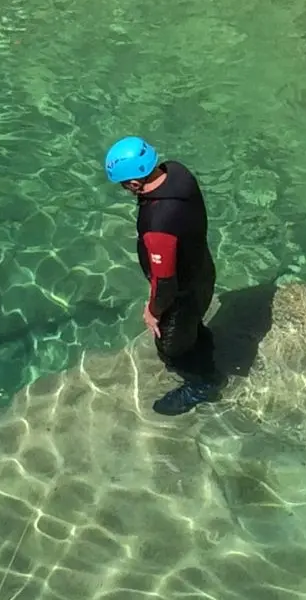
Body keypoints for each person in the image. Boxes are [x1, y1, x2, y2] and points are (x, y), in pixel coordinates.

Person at [104, 136, 221, 416]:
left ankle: (201, 386)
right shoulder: (178, 173)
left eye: (124, 186)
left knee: (170, 348)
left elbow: (166, 282)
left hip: (181, 293)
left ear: (134, 184)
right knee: (193, 325)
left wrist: (153, 311)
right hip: (203, 269)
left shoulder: (158, 223)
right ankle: (201, 341)